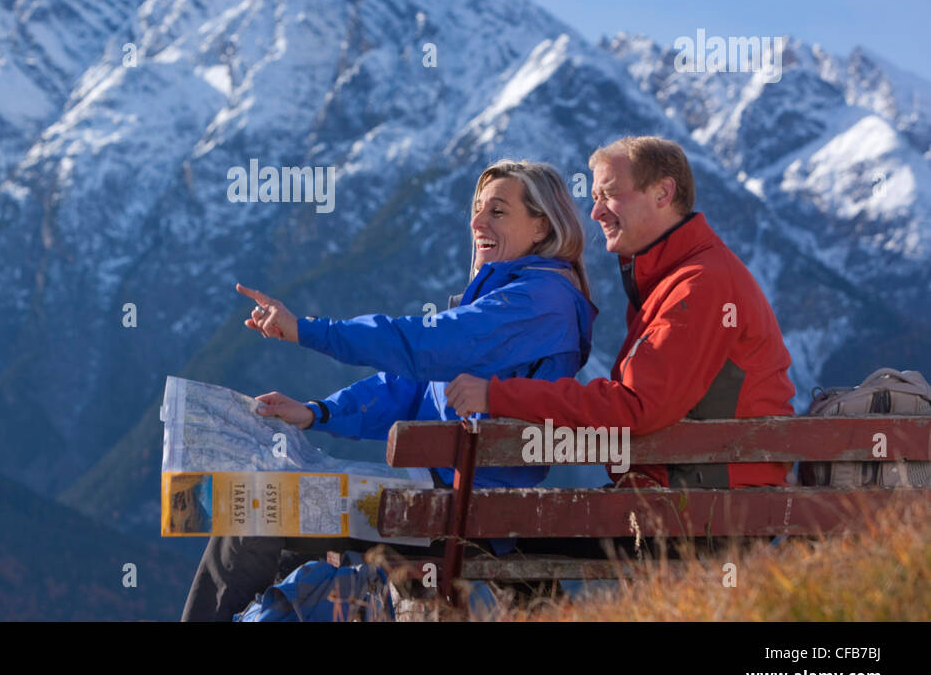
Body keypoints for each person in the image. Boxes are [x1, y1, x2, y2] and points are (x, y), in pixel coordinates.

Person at [181, 159, 597, 621]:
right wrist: (319, 412)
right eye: (477, 209)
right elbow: (411, 387)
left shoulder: (538, 302)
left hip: (457, 509)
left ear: (541, 227)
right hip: (444, 496)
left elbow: (419, 345)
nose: (477, 222)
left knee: (257, 507)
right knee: (268, 516)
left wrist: (308, 330)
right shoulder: (514, 295)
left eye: (498, 212)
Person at [444, 136, 795, 492]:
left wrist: (498, 395)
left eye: (609, 195)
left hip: (707, 508)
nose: (595, 213)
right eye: (594, 198)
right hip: (688, 493)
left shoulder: (700, 286)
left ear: (662, 194)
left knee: (495, 533)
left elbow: (634, 406)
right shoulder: (667, 279)